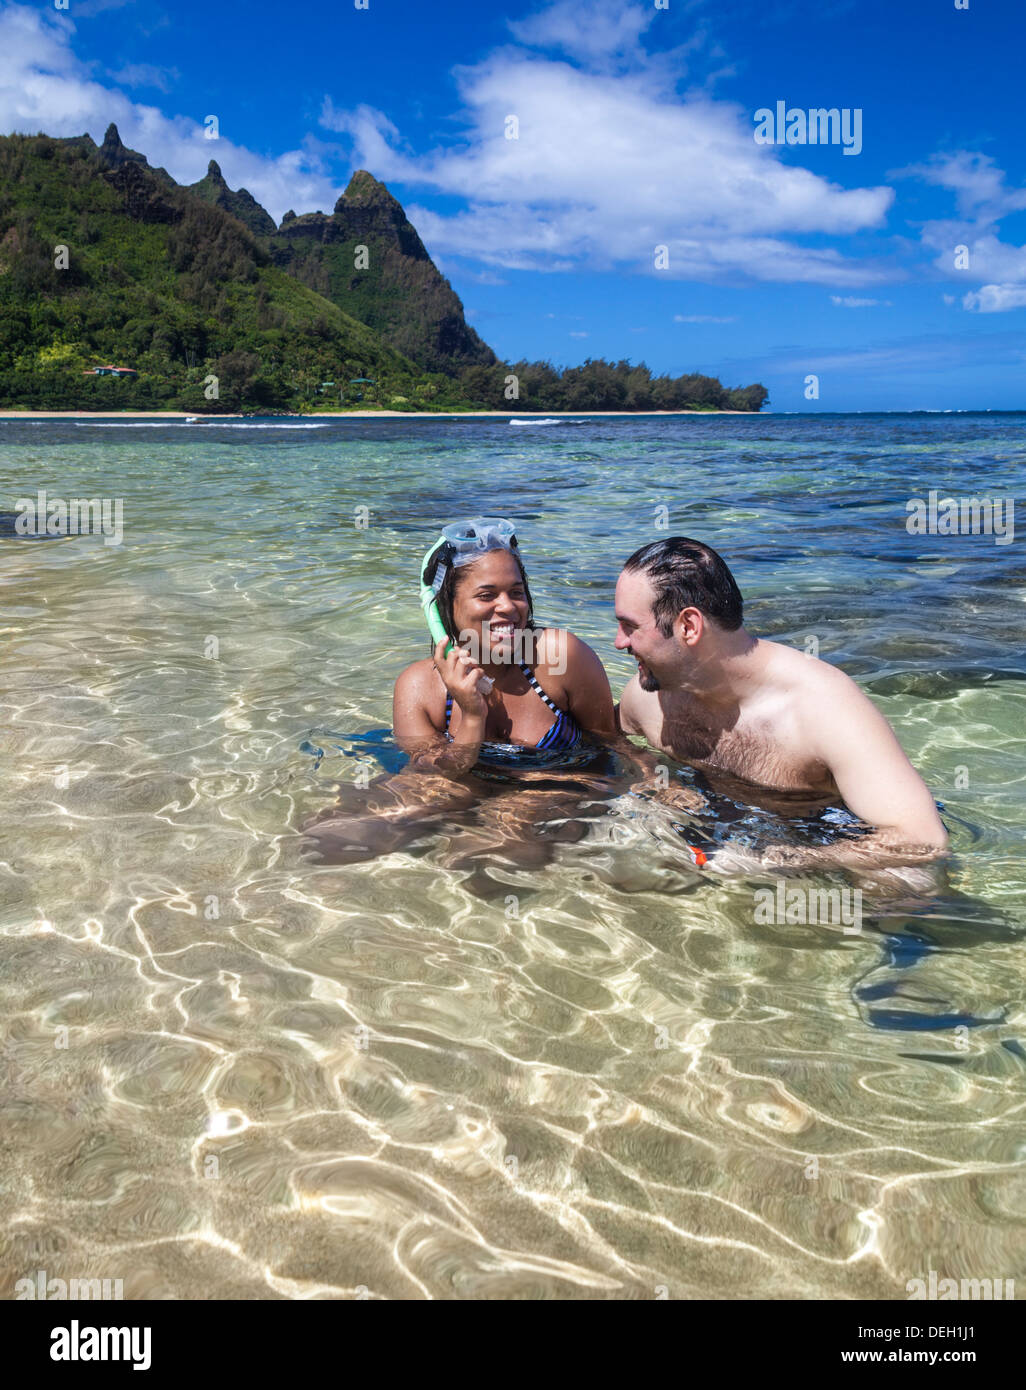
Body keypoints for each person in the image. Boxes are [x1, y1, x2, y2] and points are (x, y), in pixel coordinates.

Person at [304, 518, 633, 868]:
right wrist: (471, 714)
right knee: (335, 835)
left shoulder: (559, 656)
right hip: (464, 786)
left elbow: (611, 745)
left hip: (557, 789)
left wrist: (656, 785)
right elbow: (438, 777)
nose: (508, 607)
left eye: (517, 592)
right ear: (445, 607)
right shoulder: (418, 686)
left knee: (485, 861)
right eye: (487, 595)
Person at [614, 537, 949, 870]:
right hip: (725, 828)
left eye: (630, 627)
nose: (618, 642)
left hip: (826, 835)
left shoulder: (821, 707)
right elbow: (612, 743)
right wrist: (656, 780)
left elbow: (921, 841)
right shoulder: (647, 699)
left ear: (688, 626)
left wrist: (771, 862)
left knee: (905, 883)